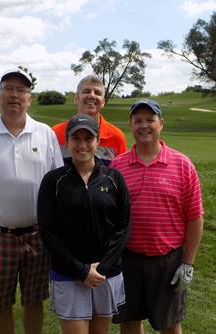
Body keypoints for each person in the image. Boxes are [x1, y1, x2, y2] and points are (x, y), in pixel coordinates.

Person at [0, 70, 63, 334]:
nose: (14, 95)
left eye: (21, 90)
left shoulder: (45, 134)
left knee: (34, 300)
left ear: (29, 98)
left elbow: (58, 185)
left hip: (37, 234)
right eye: (9, 88)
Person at [111, 99, 204, 334]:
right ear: (130, 125)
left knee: (170, 325)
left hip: (168, 260)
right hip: (128, 258)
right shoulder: (117, 166)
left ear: (161, 123)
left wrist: (188, 263)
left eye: (150, 120)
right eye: (138, 120)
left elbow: (195, 217)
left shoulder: (182, 165)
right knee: (130, 322)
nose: (144, 125)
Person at [37, 113, 130, 334]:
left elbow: (123, 227)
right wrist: (81, 271)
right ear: (67, 142)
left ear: (97, 142)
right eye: (75, 139)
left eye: (88, 138)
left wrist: (102, 268)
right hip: (68, 273)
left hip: (105, 274)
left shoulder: (114, 178)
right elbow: (48, 232)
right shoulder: (53, 180)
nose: (82, 145)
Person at [52, 75, 127, 165]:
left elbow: (121, 174)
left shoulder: (116, 137)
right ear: (76, 99)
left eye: (97, 93)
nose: (92, 95)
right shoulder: (55, 133)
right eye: (86, 91)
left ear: (103, 102)